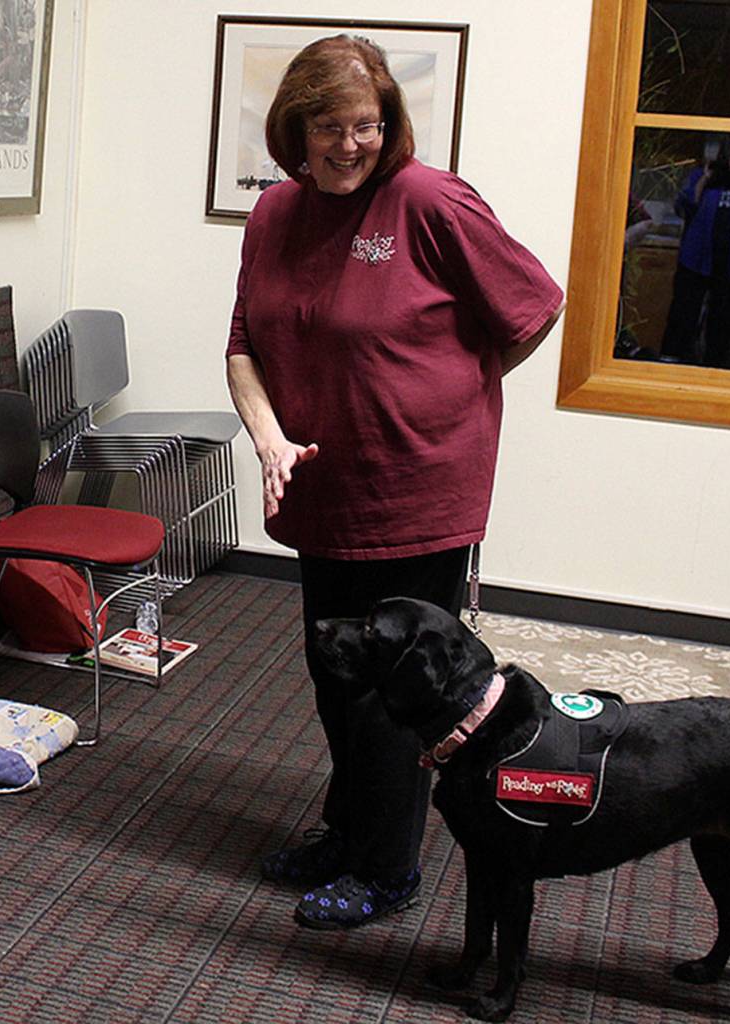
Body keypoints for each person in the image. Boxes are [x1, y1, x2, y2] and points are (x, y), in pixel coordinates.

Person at [224, 35, 564, 931]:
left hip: (417, 494)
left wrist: (456, 398)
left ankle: (386, 869)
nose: (348, 145)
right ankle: (347, 832)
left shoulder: (428, 200)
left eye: (367, 126)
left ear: (391, 126)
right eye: (329, 126)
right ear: (293, 126)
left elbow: (533, 306)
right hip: (317, 489)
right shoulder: (275, 215)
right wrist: (267, 439)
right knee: (334, 673)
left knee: (392, 698)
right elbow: (245, 346)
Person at [660, 138, 730, 367]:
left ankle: (714, 366)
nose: (729, 162)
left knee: (722, 321)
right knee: (684, 314)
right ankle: (673, 358)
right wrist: (706, 178)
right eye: (726, 157)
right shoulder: (703, 177)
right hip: (696, 260)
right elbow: (684, 205)